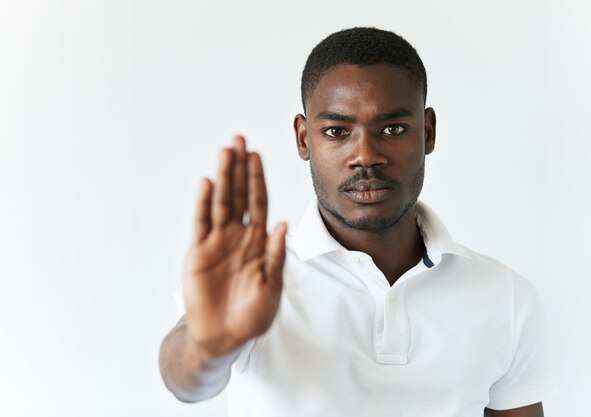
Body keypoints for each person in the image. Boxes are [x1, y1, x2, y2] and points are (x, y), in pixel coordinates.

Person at [159, 27, 558, 416]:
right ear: (303, 139)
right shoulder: (253, 280)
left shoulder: (505, 297)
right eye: (336, 131)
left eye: (393, 129)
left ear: (428, 132)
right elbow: (188, 379)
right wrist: (209, 344)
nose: (365, 155)